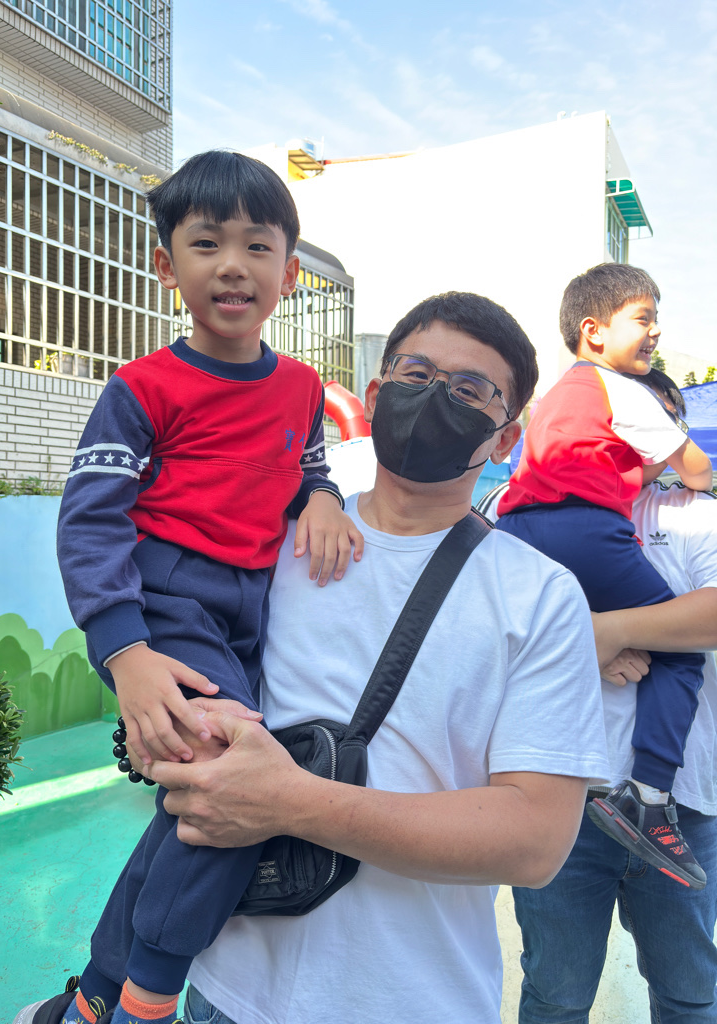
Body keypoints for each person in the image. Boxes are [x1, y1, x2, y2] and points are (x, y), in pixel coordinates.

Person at [140, 291, 609, 1024]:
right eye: (415, 373)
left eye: (470, 389)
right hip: (226, 990)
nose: (434, 396)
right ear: (376, 393)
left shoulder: (539, 596)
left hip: (413, 1001)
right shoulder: (272, 541)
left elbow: (535, 841)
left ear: (506, 438)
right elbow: (181, 656)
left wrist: (291, 801)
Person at [17, 152, 363, 1024]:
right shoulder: (142, 388)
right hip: (167, 602)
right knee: (238, 779)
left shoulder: (301, 388)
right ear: (167, 267)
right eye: (207, 244)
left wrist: (322, 497)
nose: (233, 265)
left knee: (197, 801)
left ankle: (94, 998)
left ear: (290, 272)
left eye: (257, 245)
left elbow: (306, 470)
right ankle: (146, 999)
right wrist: (125, 651)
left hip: (254, 613)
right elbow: (90, 521)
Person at [482, 369, 717, 1023]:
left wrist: (604, 632)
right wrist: (578, 644)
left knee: (689, 994)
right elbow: (484, 631)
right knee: (555, 997)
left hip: (682, 810)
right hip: (559, 796)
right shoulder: (518, 511)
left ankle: (648, 795)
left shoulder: (696, 514)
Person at [496, 263, 713, 888]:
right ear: (594, 330)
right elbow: (696, 469)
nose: (656, 332)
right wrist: (681, 461)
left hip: (521, 530)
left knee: (561, 633)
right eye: (644, 319)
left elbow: (609, 470)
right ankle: (649, 795)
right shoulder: (620, 389)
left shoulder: (558, 395)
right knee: (678, 649)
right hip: (585, 529)